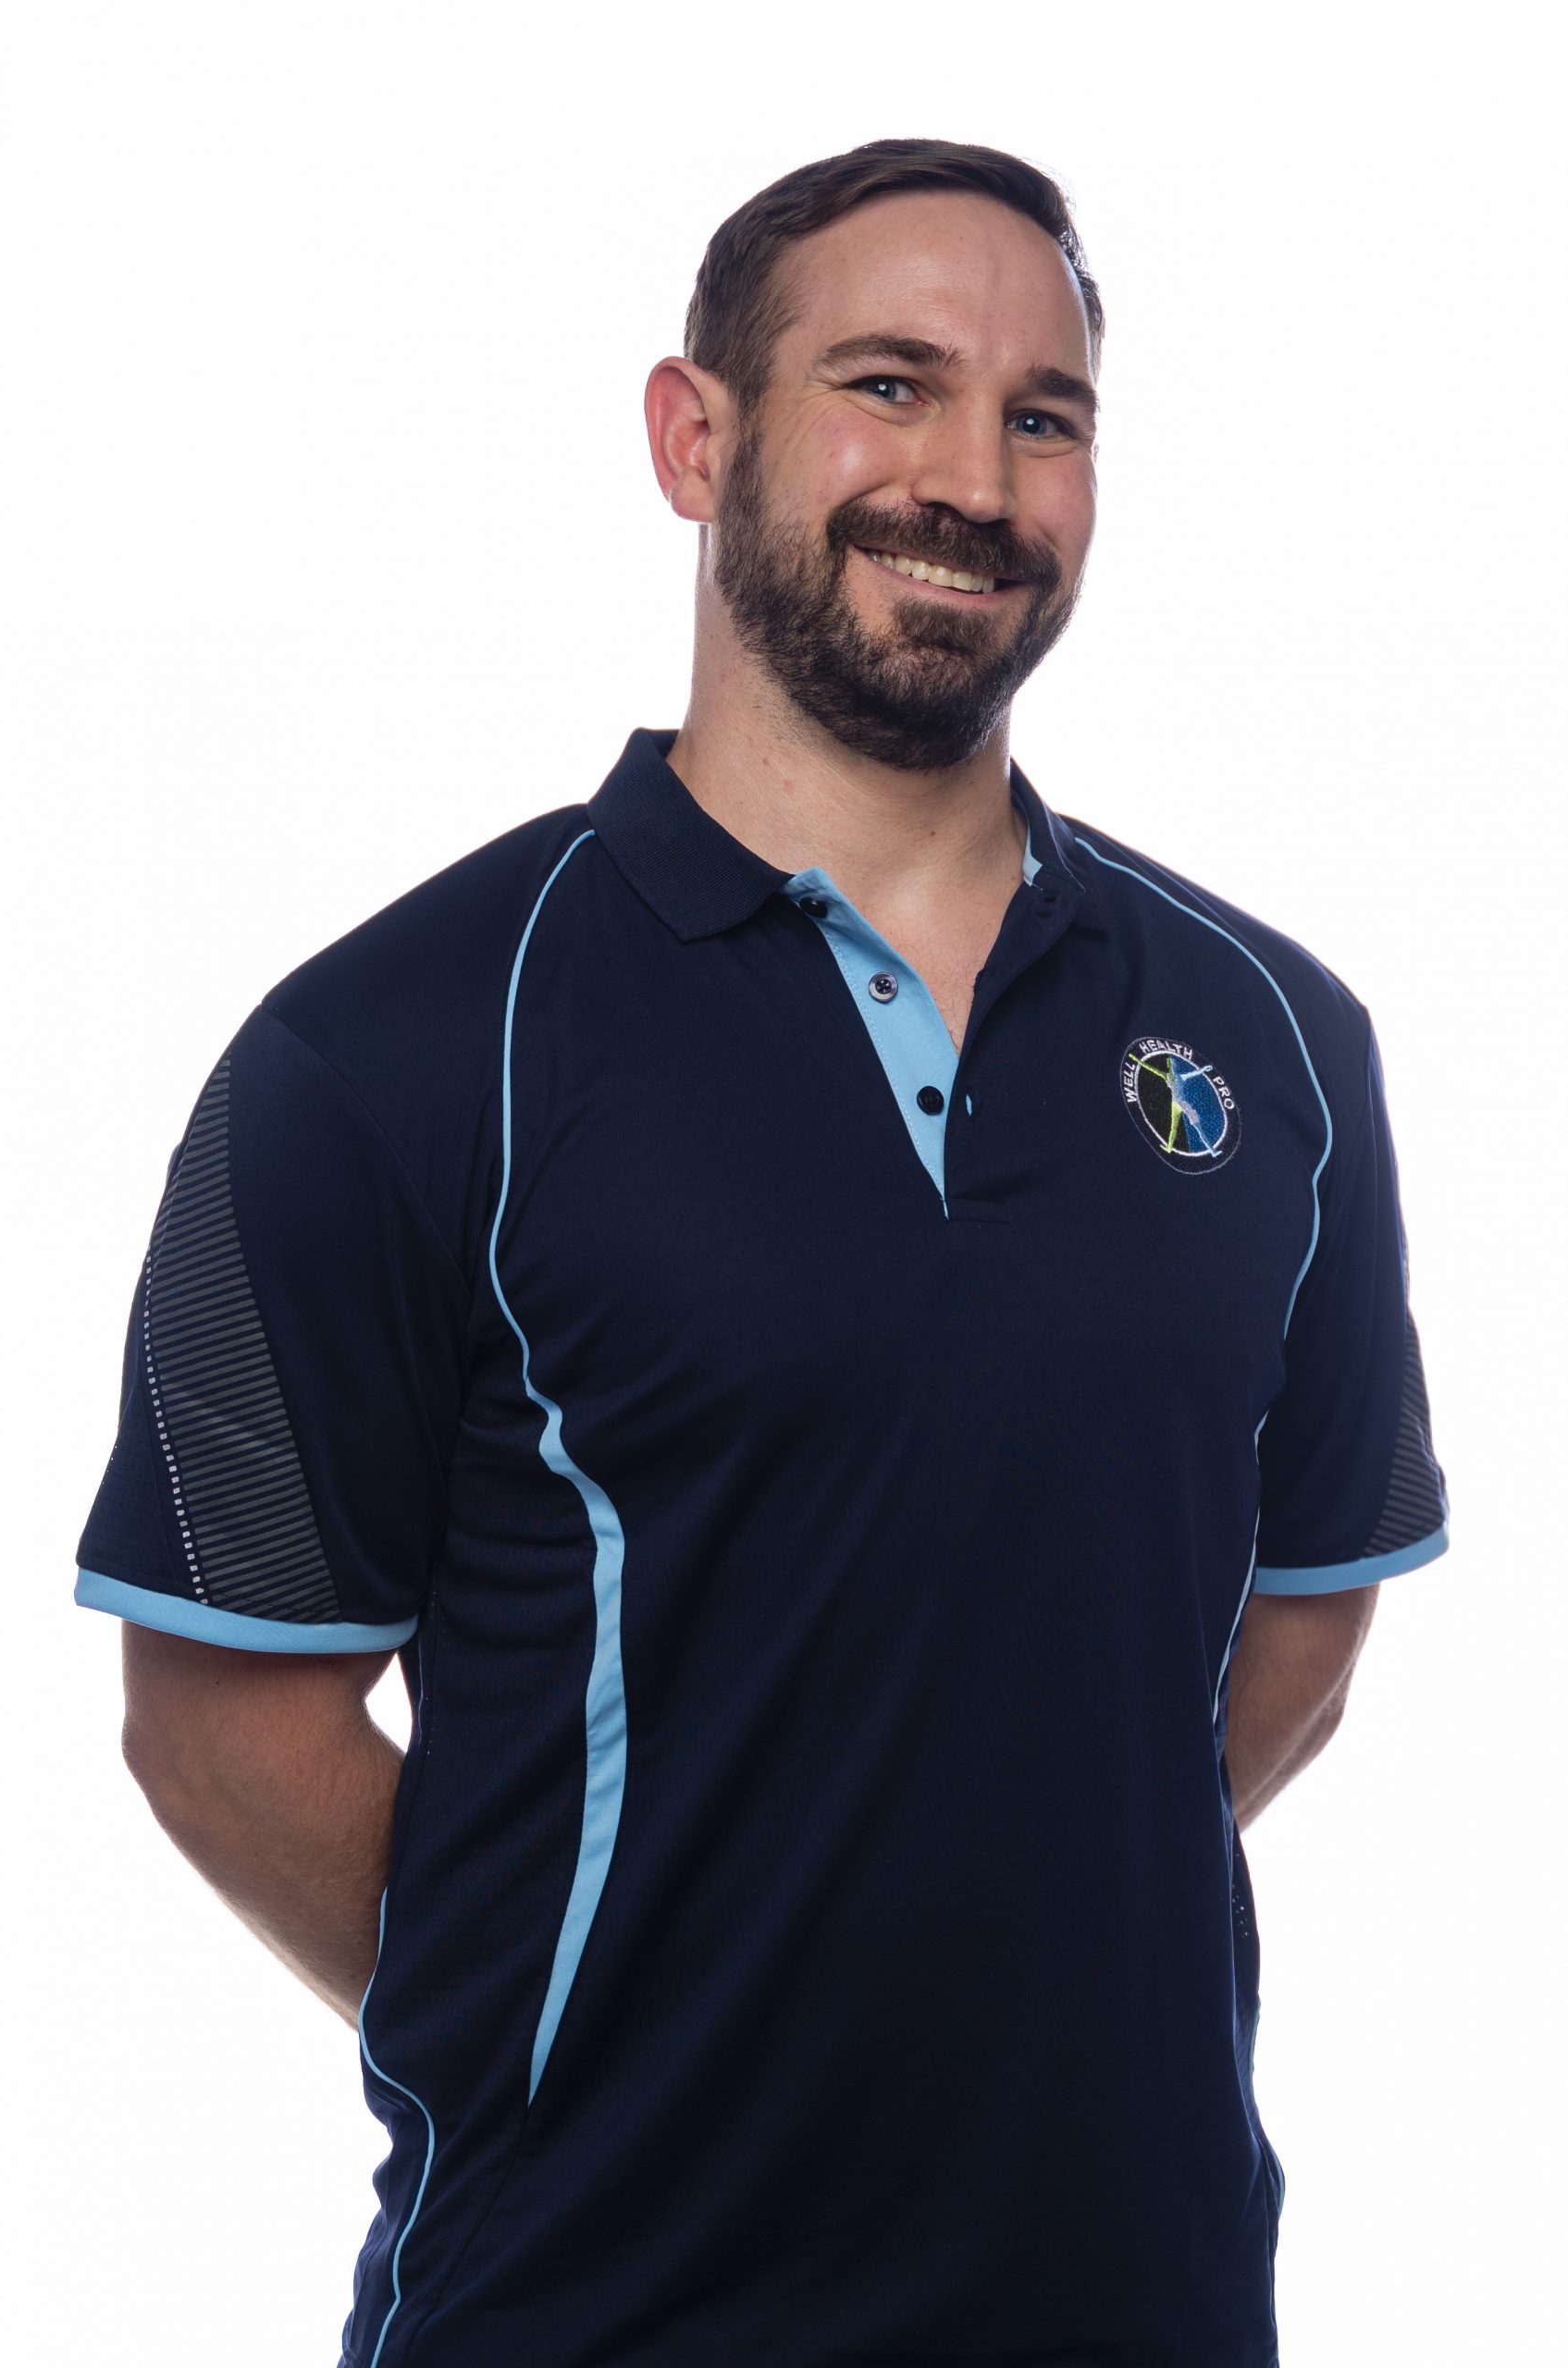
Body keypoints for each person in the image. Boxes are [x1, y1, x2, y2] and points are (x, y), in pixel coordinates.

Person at [74, 138, 1449, 2368]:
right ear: (693, 438)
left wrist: (1008, 1921)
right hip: (587, 2311)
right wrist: (601, 2034)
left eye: (1040, 414)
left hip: (1145, 2300)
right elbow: (220, 1724)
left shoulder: (1276, 1036)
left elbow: (1301, 1607)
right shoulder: (389, 1046)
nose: (970, 480)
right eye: (886, 385)